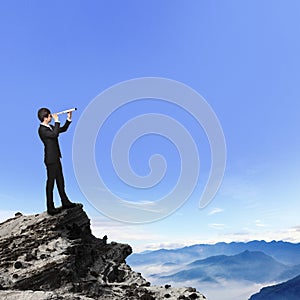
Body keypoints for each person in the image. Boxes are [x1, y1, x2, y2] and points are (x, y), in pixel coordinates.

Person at [38, 108, 76, 215]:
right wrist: (57, 120)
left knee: (60, 180)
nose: (51, 117)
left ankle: (65, 202)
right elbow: (55, 134)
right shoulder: (42, 129)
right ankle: (50, 207)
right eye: (49, 116)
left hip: (56, 157)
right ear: (45, 118)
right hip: (50, 159)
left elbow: (62, 129)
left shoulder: (50, 127)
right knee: (50, 183)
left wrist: (69, 118)